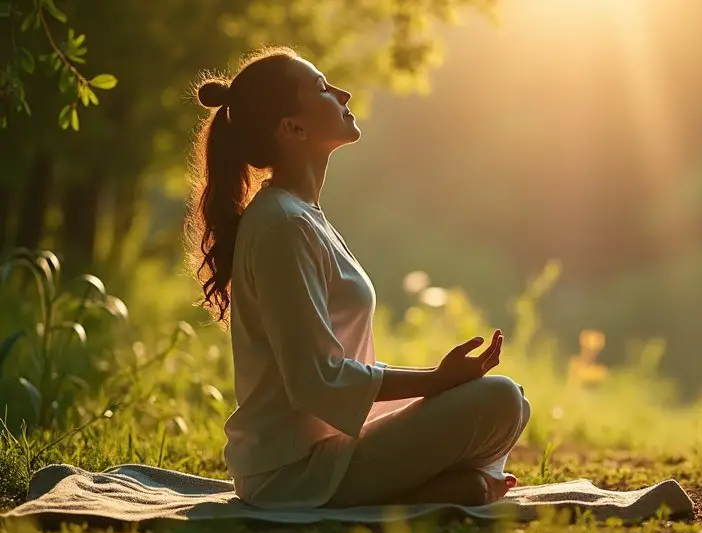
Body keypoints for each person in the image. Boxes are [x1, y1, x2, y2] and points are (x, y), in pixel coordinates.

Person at [182, 47, 531, 509]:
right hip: (293, 472)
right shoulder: (282, 226)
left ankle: (443, 488)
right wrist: (435, 380)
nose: (342, 92)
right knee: (499, 400)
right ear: (293, 128)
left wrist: (443, 385)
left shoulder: (300, 216)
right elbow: (315, 381)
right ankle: (439, 488)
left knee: (508, 399)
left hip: (333, 447)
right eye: (323, 88)